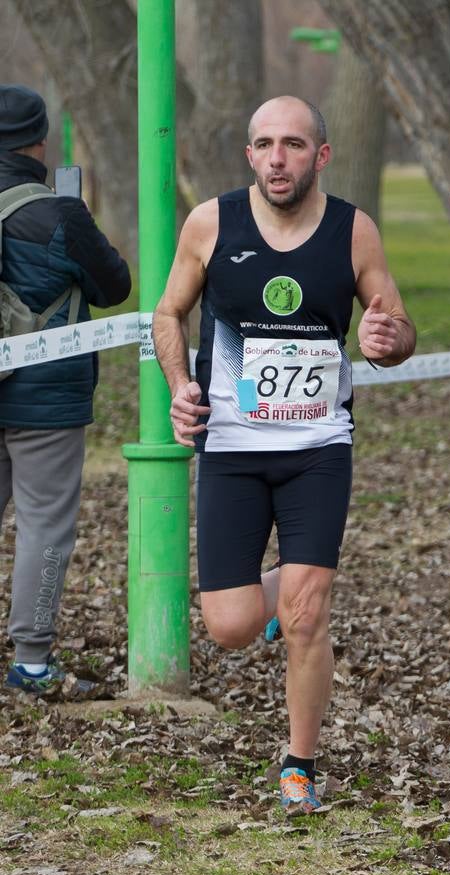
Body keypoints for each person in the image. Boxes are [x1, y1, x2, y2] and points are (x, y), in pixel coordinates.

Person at [152, 96, 416, 813]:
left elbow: (396, 325)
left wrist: (389, 340)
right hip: (233, 448)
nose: (278, 158)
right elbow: (169, 312)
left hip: (317, 448)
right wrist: (179, 385)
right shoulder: (211, 223)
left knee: (305, 615)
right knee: (231, 626)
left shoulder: (353, 230)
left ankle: (299, 764)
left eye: (294, 145)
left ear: (320, 155)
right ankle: (285, 583)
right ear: (249, 155)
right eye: (265, 144)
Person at [0, 85, 131, 695]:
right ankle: (31, 663)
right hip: (44, 400)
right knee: (44, 526)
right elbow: (114, 286)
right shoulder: (59, 213)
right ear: (39, 141)